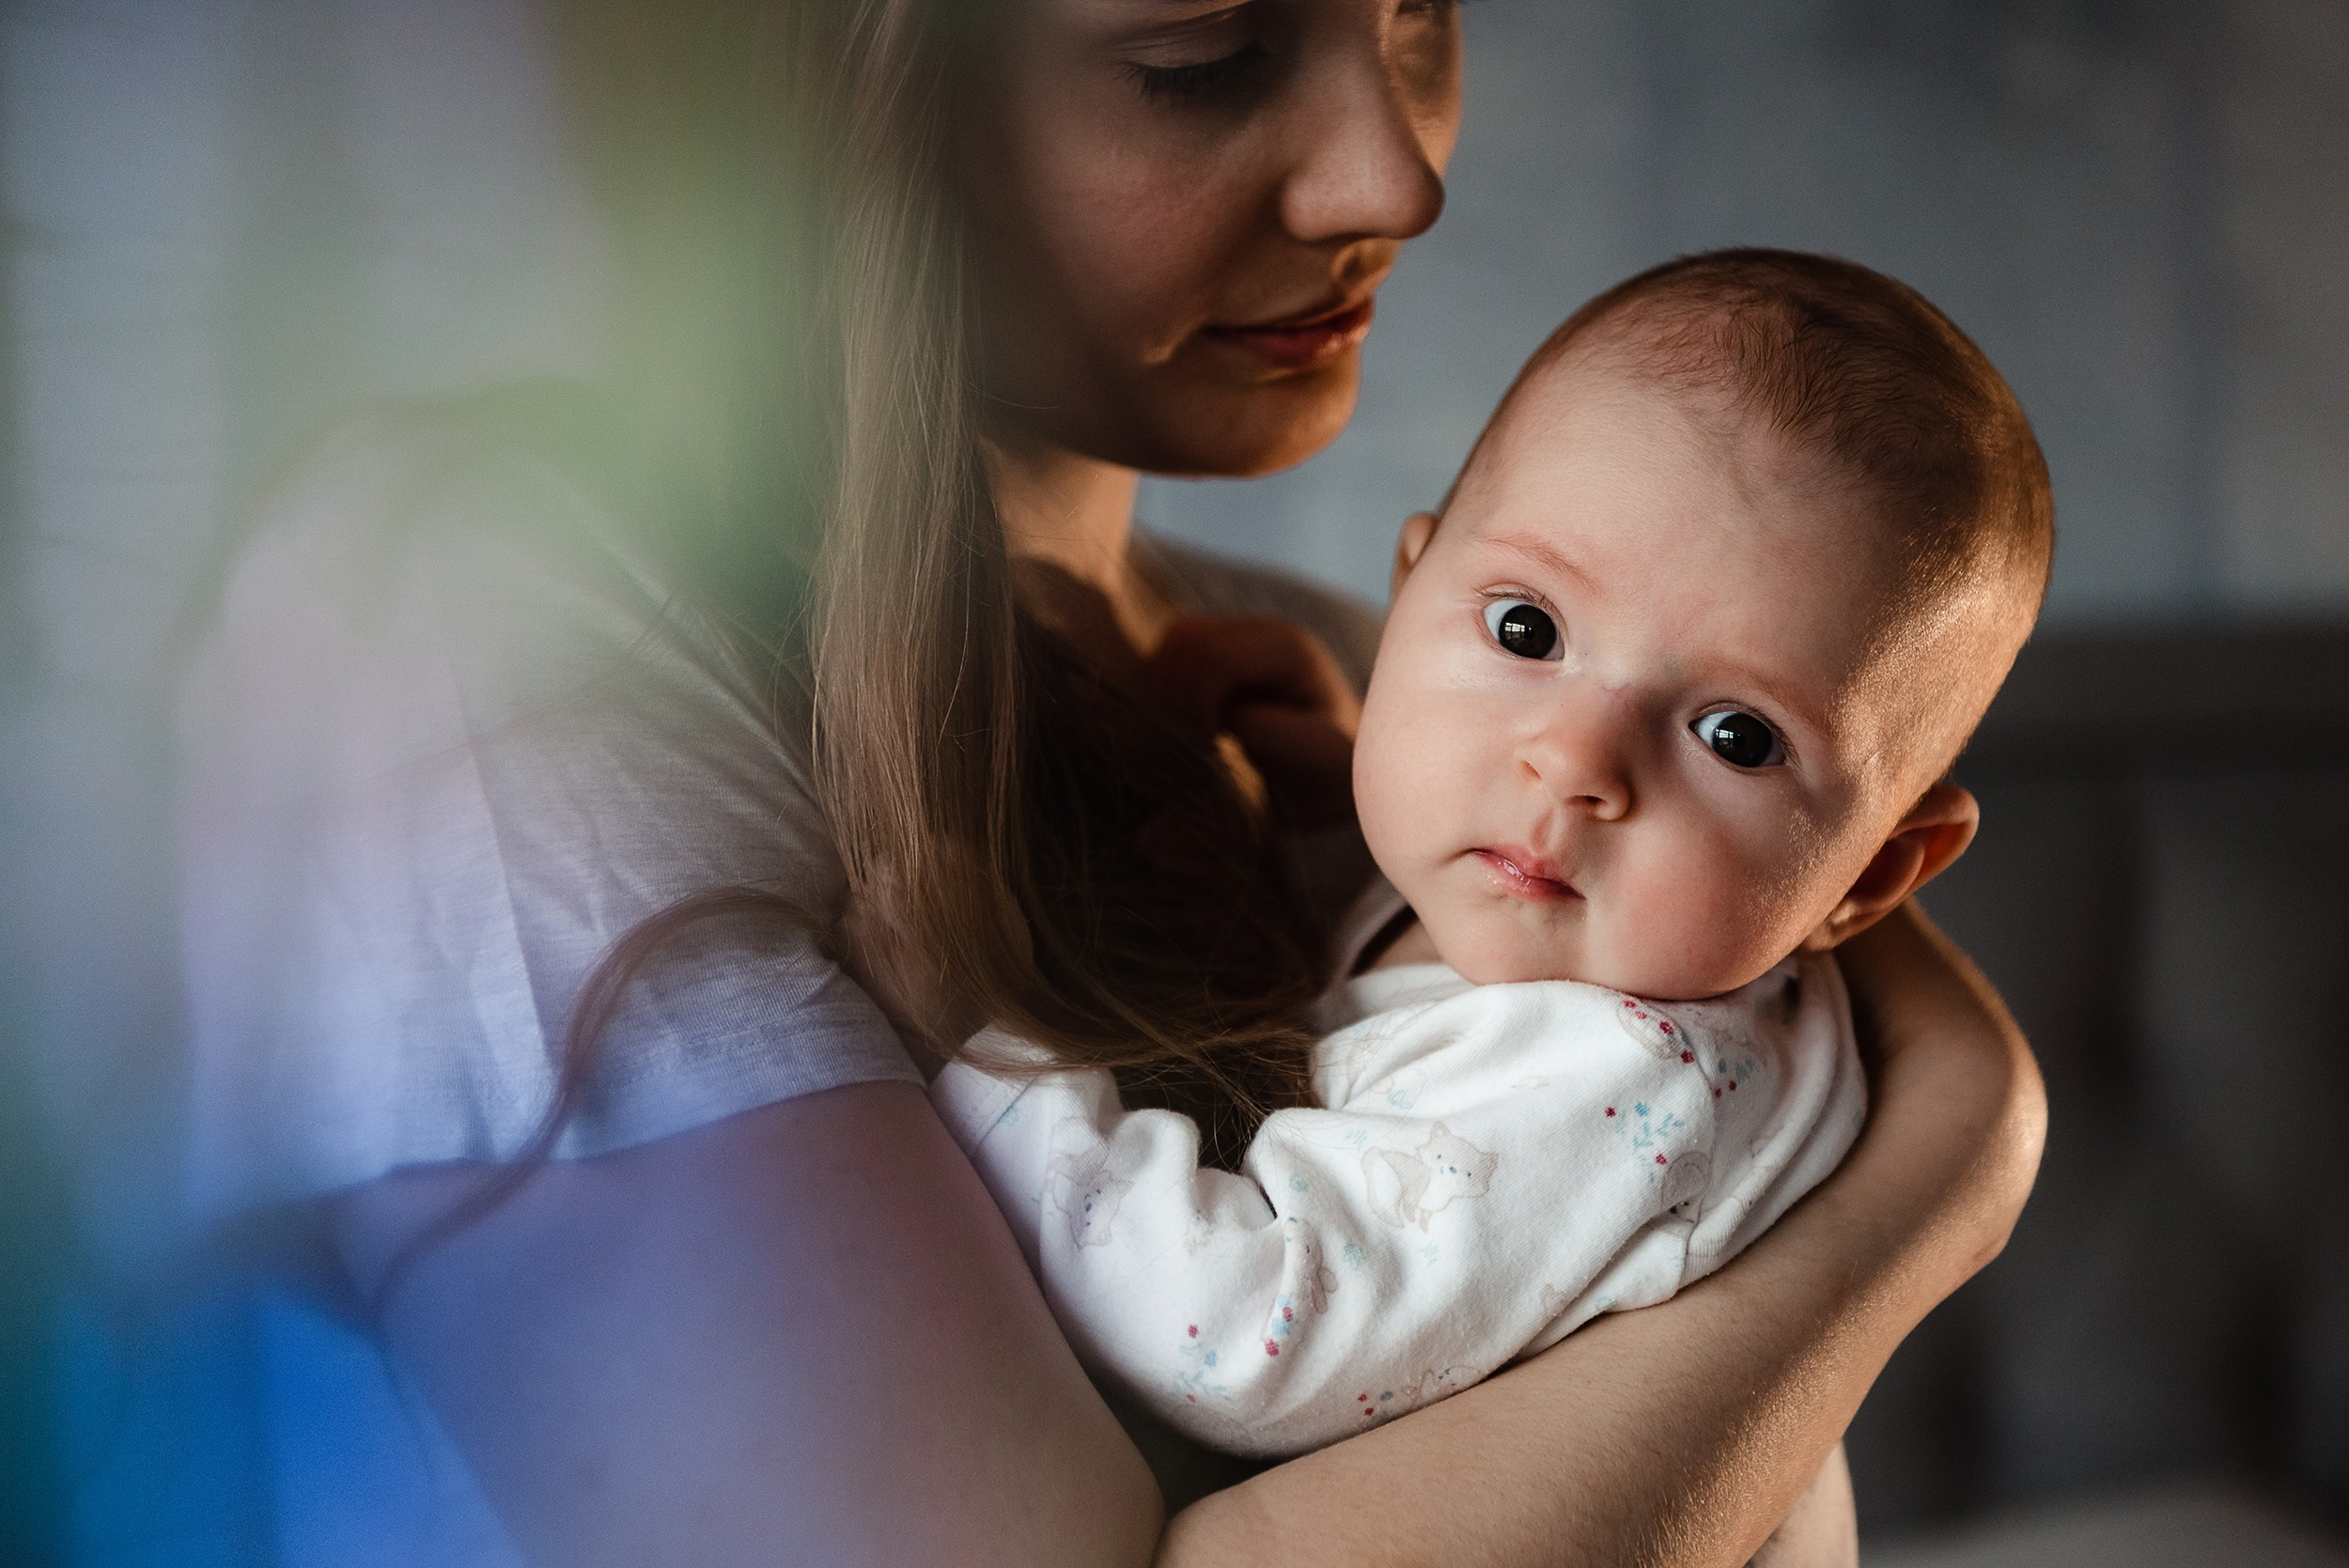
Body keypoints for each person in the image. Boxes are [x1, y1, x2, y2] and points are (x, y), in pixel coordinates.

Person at [178, 2, 2046, 1564]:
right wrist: (1931, 1181)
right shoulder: (492, 645)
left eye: (1415, 8)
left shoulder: (1358, 688)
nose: (1397, 173)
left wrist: (1955, 1145)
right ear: (838, 91)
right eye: (1200, 51)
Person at [934, 251, 2050, 1476]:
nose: (1576, 762)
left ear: (1874, 875)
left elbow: (1244, 1333)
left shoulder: (1623, 1075)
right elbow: (1400, 1026)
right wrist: (1322, 809)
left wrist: (990, 1036)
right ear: (1405, 595)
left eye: (1736, 735)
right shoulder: (1566, 944)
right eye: (1527, 629)